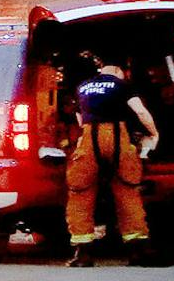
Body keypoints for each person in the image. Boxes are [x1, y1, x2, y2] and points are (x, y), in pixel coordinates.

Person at [65, 53, 159, 266]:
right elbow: (140, 112)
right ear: (119, 70)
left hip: (88, 138)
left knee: (80, 193)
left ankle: (82, 253)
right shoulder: (123, 85)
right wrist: (153, 134)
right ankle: (137, 251)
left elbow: (79, 119)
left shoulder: (83, 87)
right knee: (127, 191)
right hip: (117, 136)